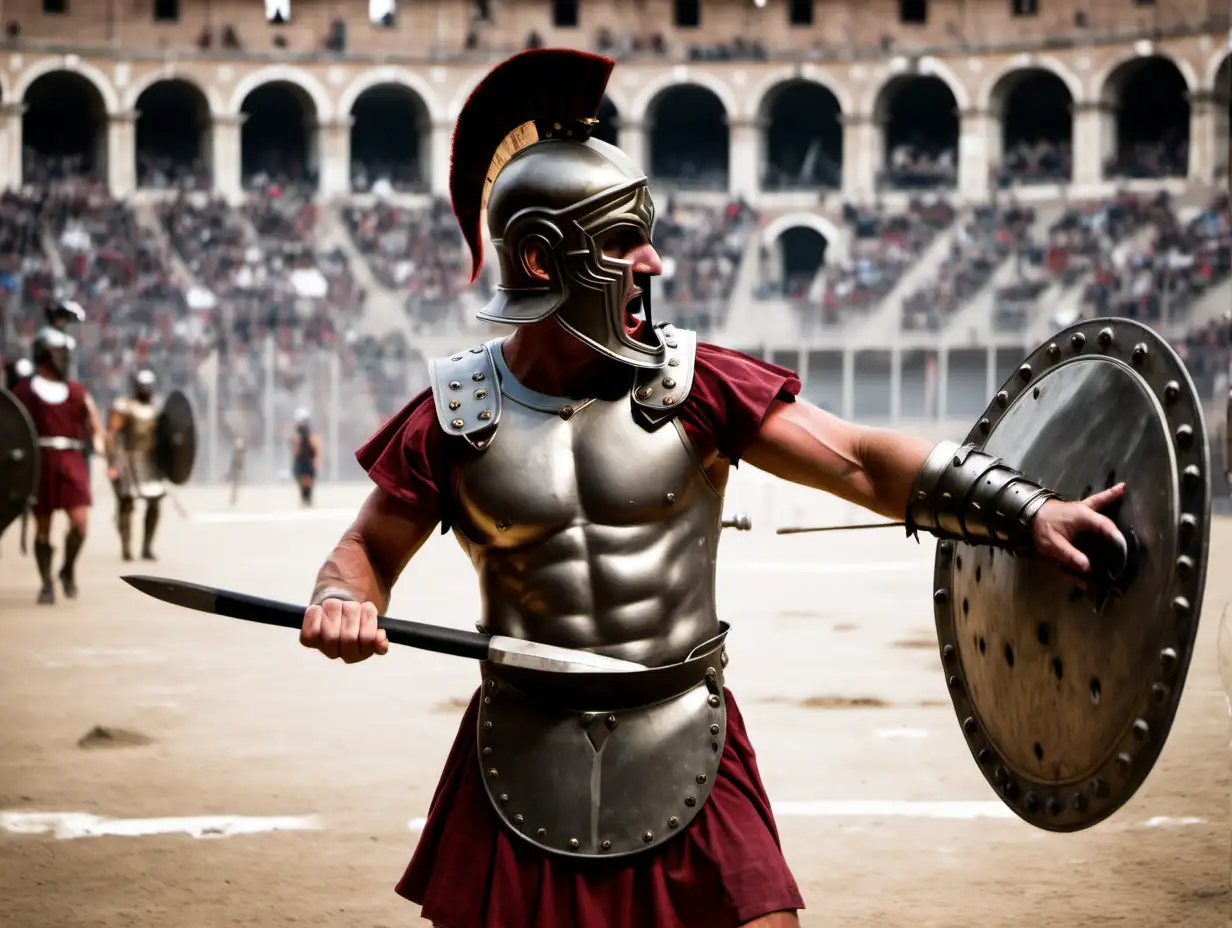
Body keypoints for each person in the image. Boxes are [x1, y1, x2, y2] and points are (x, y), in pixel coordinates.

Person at [297, 49, 1126, 928]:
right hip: (519, 747)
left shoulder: (694, 383)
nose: (653, 262)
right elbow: (364, 553)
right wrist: (340, 598)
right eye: (622, 240)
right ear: (541, 259)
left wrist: (1026, 509)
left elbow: (858, 460)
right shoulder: (455, 414)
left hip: (685, 729)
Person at [9, 327, 103, 604]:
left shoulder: (76, 391)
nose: (63, 359)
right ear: (44, 355)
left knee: (80, 522)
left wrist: (101, 448)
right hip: (41, 461)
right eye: (58, 353)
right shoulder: (25, 391)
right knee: (43, 527)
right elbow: (12, 427)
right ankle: (47, 582)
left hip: (71, 459)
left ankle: (67, 569)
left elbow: (93, 424)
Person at [106, 369, 165, 562]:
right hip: (128, 458)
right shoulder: (125, 407)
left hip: (150, 460)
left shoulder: (157, 409)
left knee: (154, 502)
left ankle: (147, 547)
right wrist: (114, 460)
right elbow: (113, 434)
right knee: (126, 502)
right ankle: (126, 547)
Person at [290, 408, 321, 507]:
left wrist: (317, 459)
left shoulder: (312, 435)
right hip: (300, 459)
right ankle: (304, 497)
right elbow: (295, 450)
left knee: (309, 479)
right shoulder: (295, 435)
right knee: (301, 479)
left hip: (309, 459)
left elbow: (317, 447)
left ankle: (308, 497)